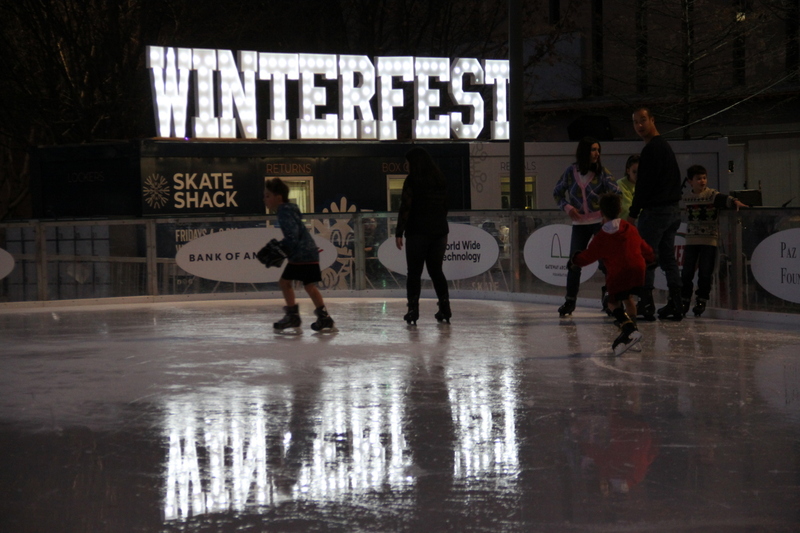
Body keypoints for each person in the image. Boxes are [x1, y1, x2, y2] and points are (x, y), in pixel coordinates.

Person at [569, 193, 655, 355]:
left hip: (619, 273)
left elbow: (588, 255)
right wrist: (651, 258)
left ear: (601, 212)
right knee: (628, 299)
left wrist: (575, 261)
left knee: (612, 303)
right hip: (638, 270)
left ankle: (630, 331)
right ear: (620, 209)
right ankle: (634, 334)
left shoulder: (603, 236)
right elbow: (643, 246)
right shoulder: (630, 228)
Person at [553, 136, 620, 317]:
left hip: (599, 223)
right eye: (593, 150)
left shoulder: (602, 173)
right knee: (575, 263)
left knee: (606, 262)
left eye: (598, 150)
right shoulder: (570, 172)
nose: (596, 154)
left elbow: (616, 193)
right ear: (584, 152)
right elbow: (557, 193)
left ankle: (609, 298)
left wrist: (607, 213)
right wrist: (567, 207)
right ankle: (570, 301)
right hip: (580, 224)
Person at [628, 107, 684, 321]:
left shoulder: (652, 149)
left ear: (652, 120)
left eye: (643, 120)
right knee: (668, 257)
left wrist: (633, 213)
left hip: (656, 212)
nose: (639, 126)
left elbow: (644, 185)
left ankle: (646, 302)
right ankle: (676, 302)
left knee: (645, 256)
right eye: (635, 122)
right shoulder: (665, 148)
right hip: (672, 211)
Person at [263, 177, 335, 333]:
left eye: (268, 196)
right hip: (310, 252)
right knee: (309, 285)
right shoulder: (290, 209)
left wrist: (281, 249)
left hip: (300, 255)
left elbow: (292, 236)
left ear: (278, 197)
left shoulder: (283, 211)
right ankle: (325, 318)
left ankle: (293, 317)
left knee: (284, 282)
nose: (265, 200)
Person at [680, 164, 748, 316]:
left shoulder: (711, 195)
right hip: (691, 240)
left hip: (709, 240)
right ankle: (684, 299)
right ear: (690, 181)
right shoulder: (686, 197)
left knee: (705, 272)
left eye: (704, 178)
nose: (702, 181)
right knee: (687, 272)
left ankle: (701, 299)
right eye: (698, 179)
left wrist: (736, 202)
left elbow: (726, 199)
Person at [395, 147, 451, 324]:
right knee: (436, 271)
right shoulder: (439, 179)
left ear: (414, 162)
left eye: (408, 162)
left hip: (418, 231)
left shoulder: (412, 181)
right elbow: (445, 206)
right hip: (439, 231)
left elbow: (405, 207)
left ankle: (413, 311)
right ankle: (445, 308)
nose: (406, 165)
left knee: (414, 273)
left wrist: (399, 232)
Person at [618, 155, 639, 221]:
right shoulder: (620, 184)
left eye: (640, 171)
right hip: (625, 222)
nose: (637, 175)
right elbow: (626, 207)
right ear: (628, 171)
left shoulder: (644, 184)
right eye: (634, 172)